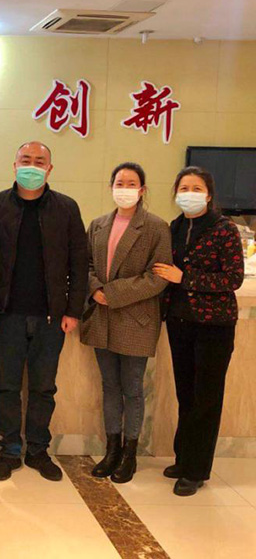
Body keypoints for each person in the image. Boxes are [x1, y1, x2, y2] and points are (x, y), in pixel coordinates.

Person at [0, 141, 88, 482]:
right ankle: (10, 451)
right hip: (5, 315)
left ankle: (38, 450)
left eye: (39, 161)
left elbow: (79, 263)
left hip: (51, 317)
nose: (32, 166)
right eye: (25, 160)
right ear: (14, 165)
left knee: (43, 388)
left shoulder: (66, 208)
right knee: (6, 387)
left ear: (49, 169)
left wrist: (73, 310)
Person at [153, 166, 244, 497]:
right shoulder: (174, 227)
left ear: (208, 195)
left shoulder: (224, 230)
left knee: (206, 398)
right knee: (186, 395)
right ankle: (183, 458)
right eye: (184, 188)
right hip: (180, 323)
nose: (189, 194)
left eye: (196, 188)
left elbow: (232, 278)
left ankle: (196, 470)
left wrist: (185, 278)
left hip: (213, 326)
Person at [80, 163, 171, 484]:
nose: (125, 188)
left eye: (132, 183)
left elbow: (158, 277)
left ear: (142, 190)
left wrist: (112, 293)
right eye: (120, 182)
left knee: (132, 389)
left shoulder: (156, 227)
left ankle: (130, 453)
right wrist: (95, 289)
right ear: (111, 187)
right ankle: (112, 449)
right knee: (110, 386)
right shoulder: (98, 225)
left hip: (136, 319)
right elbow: (85, 264)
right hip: (102, 317)